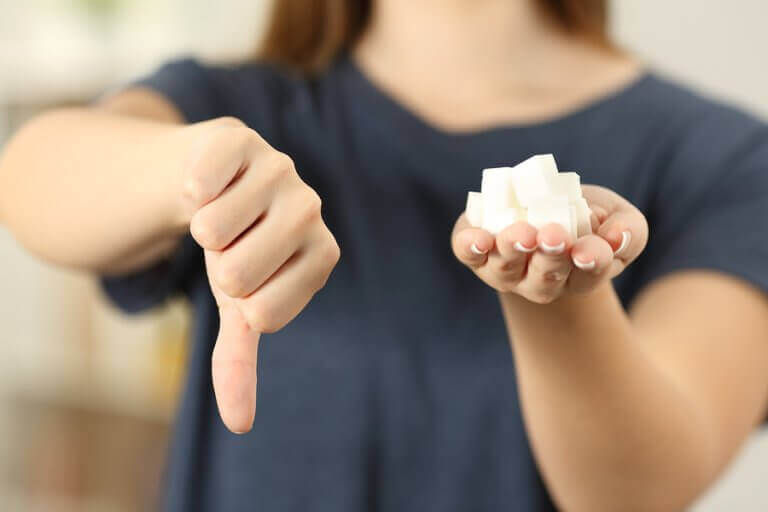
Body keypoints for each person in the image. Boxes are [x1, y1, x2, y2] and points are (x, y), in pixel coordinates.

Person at [1, 0, 767, 510]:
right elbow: (31, 175)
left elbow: (642, 489)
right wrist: (194, 173)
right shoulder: (239, 105)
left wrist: (561, 294)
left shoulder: (725, 164)